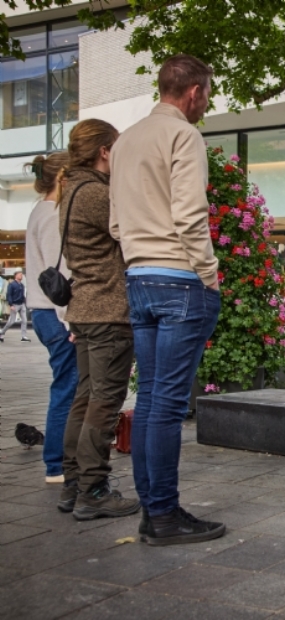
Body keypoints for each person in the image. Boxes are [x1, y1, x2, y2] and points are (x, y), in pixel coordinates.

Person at [110, 53, 224, 546]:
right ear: (194, 91)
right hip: (180, 278)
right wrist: (210, 273)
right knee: (169, 406)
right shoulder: (184, 135)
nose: (206, 103)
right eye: (207, 94)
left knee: (152, 398)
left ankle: (153, 510)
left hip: (138, 278)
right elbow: (189, 214)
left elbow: (116, 223)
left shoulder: (126, 140)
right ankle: (163, 515)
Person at [56, 120, 141, 521]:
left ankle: (74, 484)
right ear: (105, 151)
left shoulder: (71, 189)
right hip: (108, 310)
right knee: (104, 403)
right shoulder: (95, 192)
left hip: (85, 309)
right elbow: (134, 229)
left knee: (85, 398)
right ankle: (92, 488)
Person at [24, 152, 79, 484]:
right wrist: (70, 319)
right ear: (63, 178)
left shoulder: (38, 211)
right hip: (55, 315)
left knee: (67, 386)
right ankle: (56, 463)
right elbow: (57, 274)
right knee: (67, 388)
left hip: (45, 314)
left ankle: (59, 460)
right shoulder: (53, 214)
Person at [0, 271, 28, 342]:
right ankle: (2, 332)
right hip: (15, 304)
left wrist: (25, 302)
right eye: (19, 275)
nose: (21, 276)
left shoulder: (22, 285)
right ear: (15, 276)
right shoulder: (12, 284)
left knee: (24, 320)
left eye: (21, 275)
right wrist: (11, 304)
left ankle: (23, 336)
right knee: (11, 321)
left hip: (22, 304)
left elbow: (23, 295)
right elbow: (9, 295)